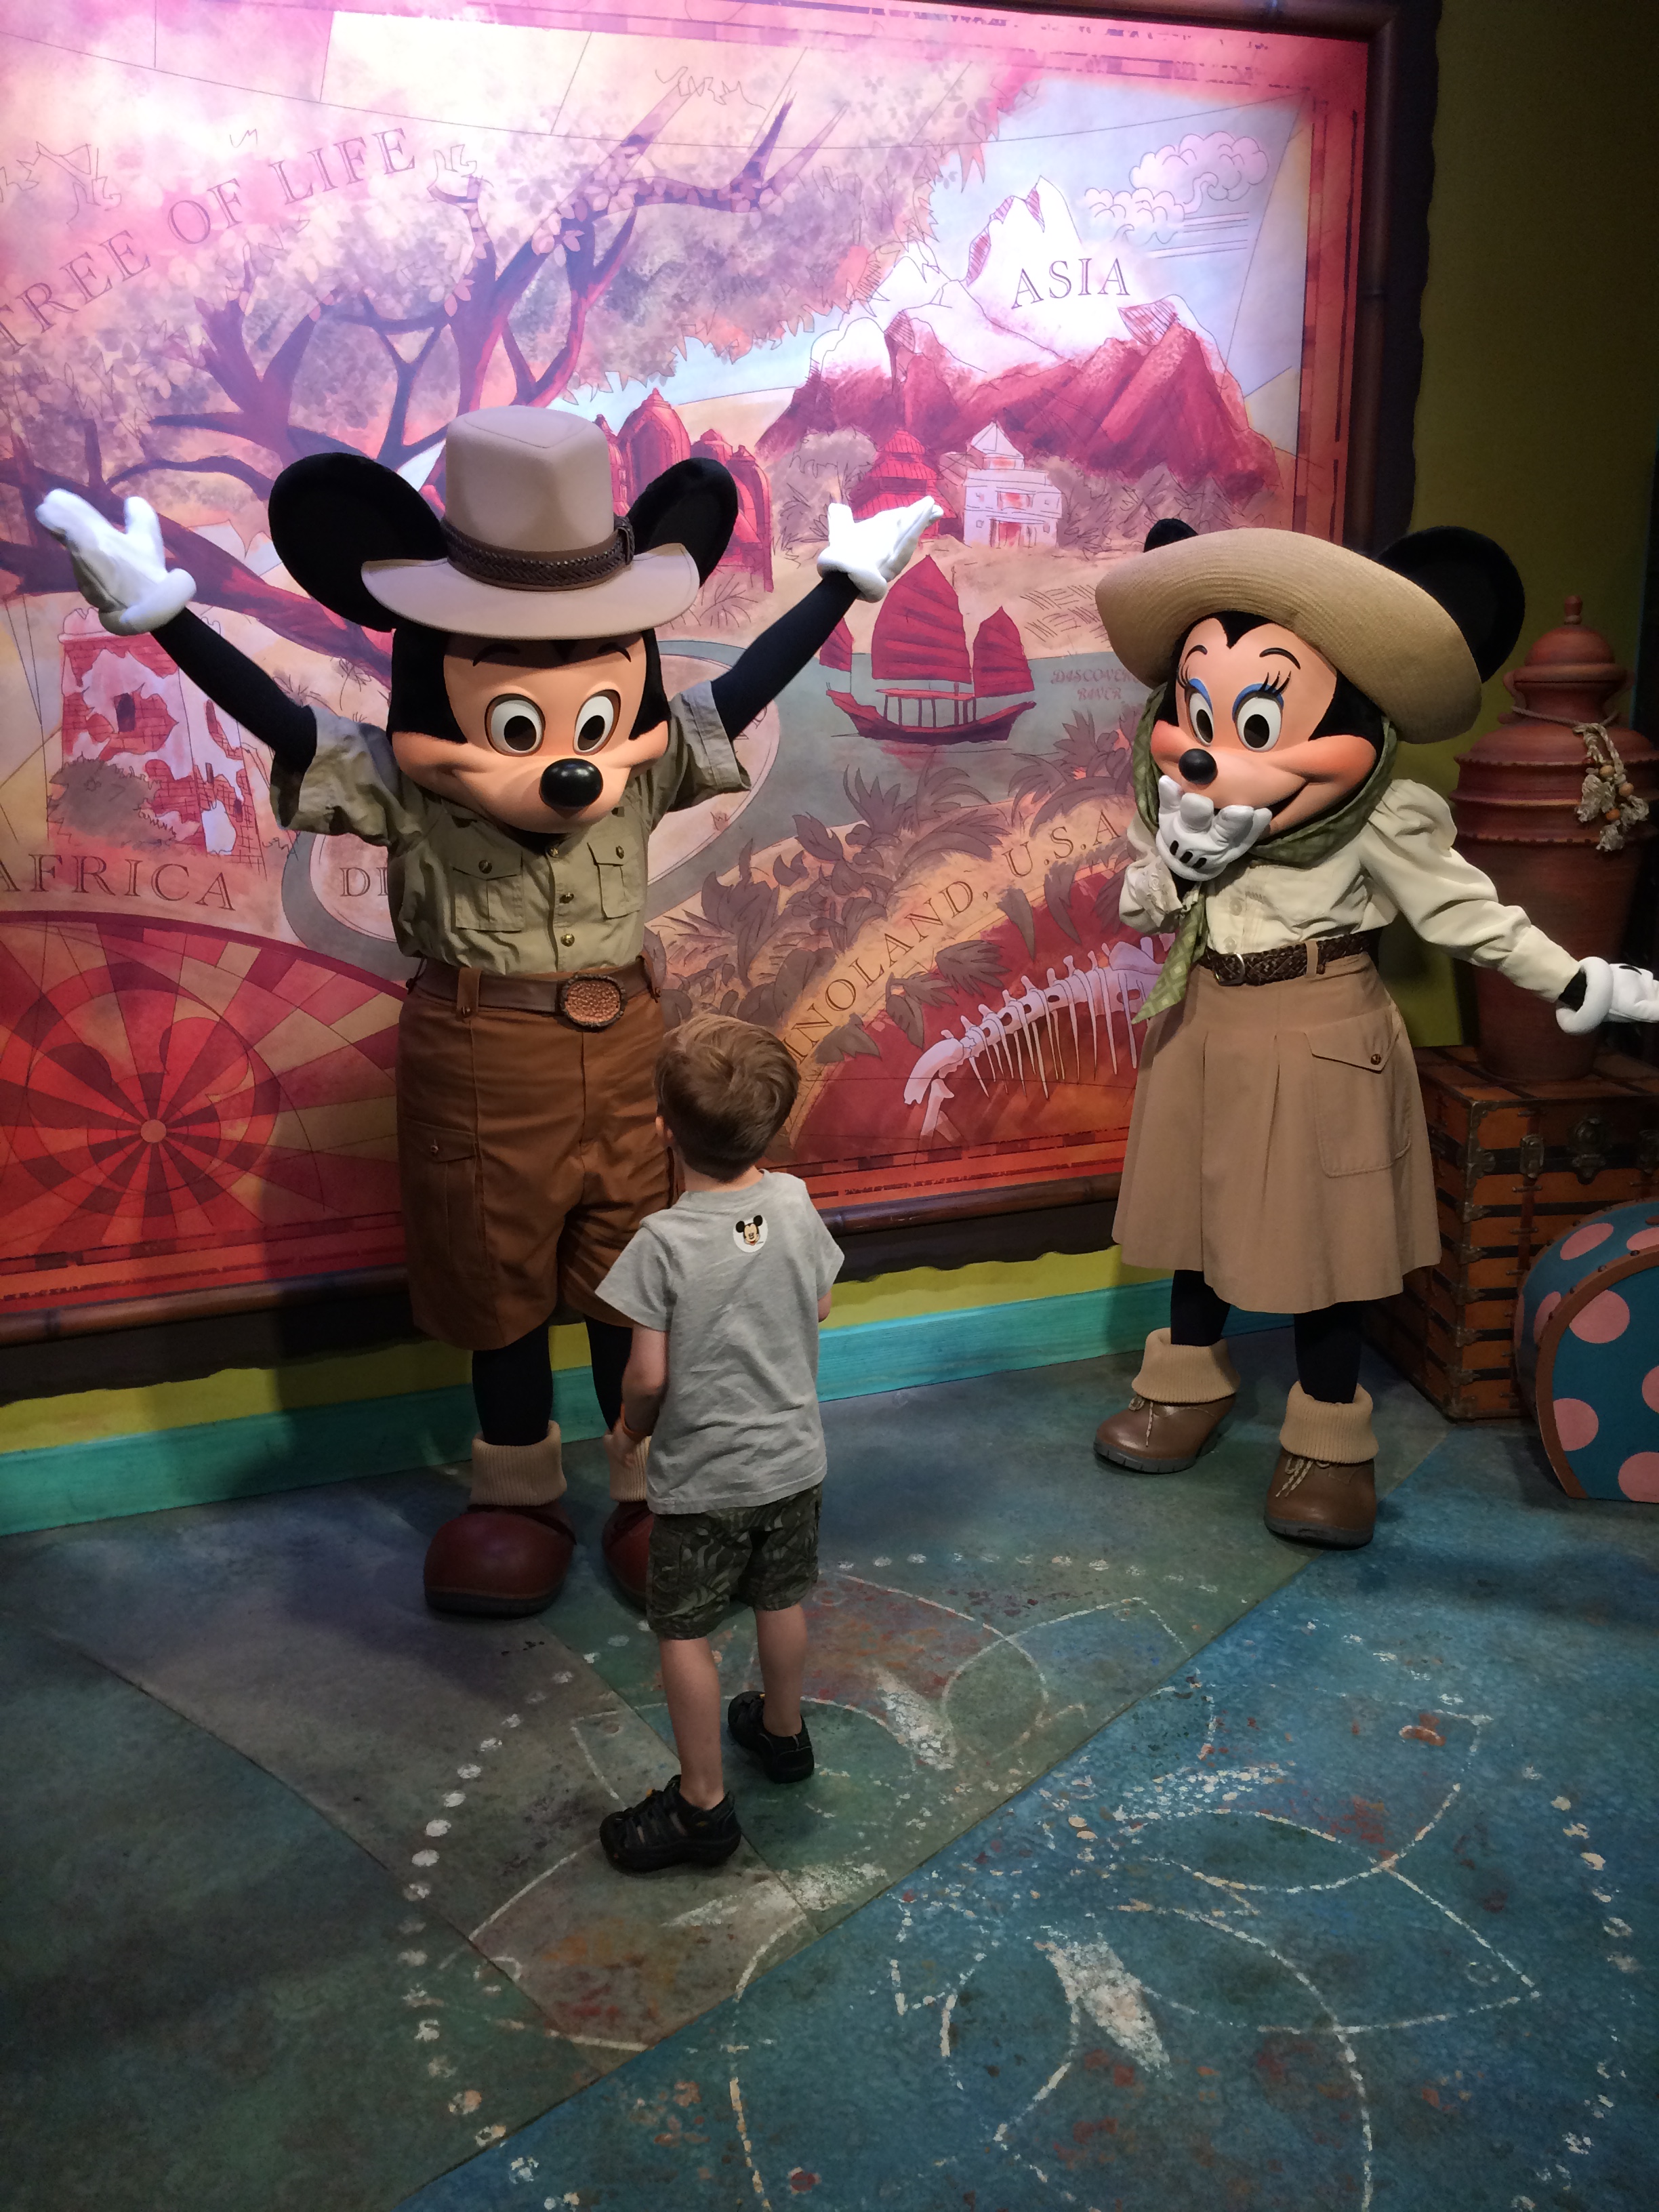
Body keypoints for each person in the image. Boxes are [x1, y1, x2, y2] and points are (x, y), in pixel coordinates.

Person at [36, 415, 933, 1618]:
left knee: (632, 1272)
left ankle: (642, 1488)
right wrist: (168, 618)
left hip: (628, 1050)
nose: (568, 765)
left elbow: (736, 694)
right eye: (520, 724)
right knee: (490, 1271)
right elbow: (289, 726)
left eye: (596, 720)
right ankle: (515, 1490)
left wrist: (839, 586)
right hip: (477, 1052)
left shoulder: (647, 766)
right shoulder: (400, 780)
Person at [1091, 519, 1659, 1549]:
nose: (1215, 749)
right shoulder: (1175, 803)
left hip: (1320, 1029)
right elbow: (1137, 907)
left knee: (1327, 1250)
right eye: (1199, 712)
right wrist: (1176, 863)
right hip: (1205, 1020)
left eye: (1254, 721)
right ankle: (1185, 1384)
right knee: (1196, 1222)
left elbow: (1468, 916)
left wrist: (1581, 982)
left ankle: (1328, 1441)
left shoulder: (1382, 813)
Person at [593, 1015, 843, 1872]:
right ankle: (783, 1733)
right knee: (781, 1598)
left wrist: (629, 1435)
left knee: (683, 1633)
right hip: (794, 1461)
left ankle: (702, 1806)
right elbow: (819, 1303)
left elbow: (648, 1377)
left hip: (705, 1480)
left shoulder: (661, 1243)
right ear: (772, 1126)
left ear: (664, 1126)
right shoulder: (795, 1201)